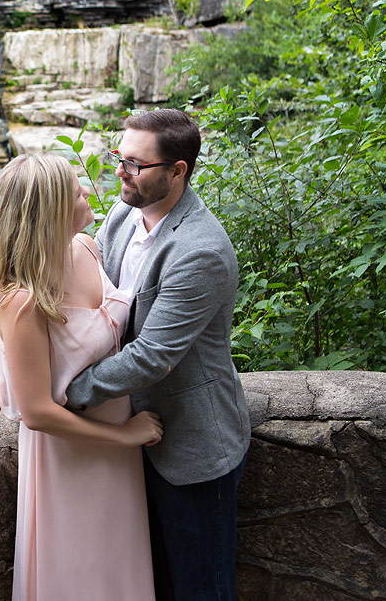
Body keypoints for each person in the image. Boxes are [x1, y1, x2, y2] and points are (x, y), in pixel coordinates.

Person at [60, 108, 250, 600]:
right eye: (117, 157)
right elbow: (88, 304)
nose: (119, 172)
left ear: (177, 170)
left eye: (135, 165)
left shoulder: (200, 251)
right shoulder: (125, 213)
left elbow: (152, 356)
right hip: (125, 434)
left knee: (198, 589)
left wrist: (64, 391)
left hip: (191, 444)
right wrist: (24, 371)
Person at [0, 150, 163, 601]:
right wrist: (127, 436)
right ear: (49, 211)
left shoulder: (85, 247)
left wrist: (9, 380)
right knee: (81, 570)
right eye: (73, 187)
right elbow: (40, 413)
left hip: (115, 447)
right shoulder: (23, 301)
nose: (87, 189)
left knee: (118, 565)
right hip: (74, 453)